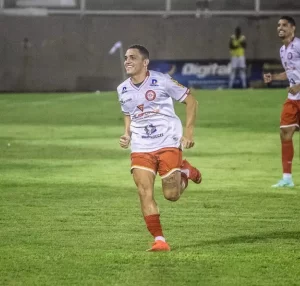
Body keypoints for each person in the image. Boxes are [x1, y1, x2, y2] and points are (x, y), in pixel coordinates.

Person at [117, 45, 202, 251]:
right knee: (144, 191)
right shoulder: (122, 89)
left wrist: (188, 133)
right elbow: (129, 112)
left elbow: (191, 101)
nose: (127, 61)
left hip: (167, 141)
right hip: (141, 146)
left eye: (133, 58)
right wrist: (127, 133)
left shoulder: (161, 80)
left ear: (145, 62)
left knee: (171, 195)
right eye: (126, 57)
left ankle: (184, 170)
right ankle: (160, 240)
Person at [263, 16, 300, 187]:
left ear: (293, 28)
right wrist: (275, 77)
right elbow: (290, 71)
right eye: (278, 25)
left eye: (284, 25)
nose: (280, 28)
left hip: (297, 92)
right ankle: (287, 178)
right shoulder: (282, 50)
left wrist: (298, 86)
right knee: (285, 133)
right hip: (293, 99)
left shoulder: (298, 45)